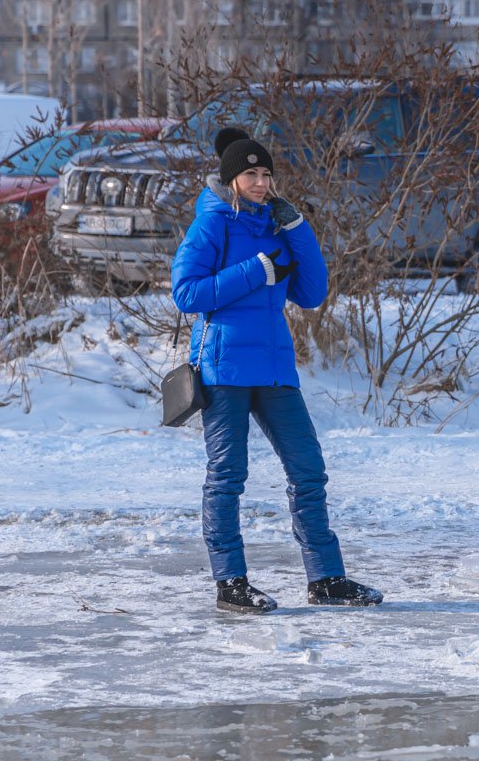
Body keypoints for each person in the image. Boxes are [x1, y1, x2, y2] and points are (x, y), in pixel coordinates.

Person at [172, 127, 383, 614]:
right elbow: (186, 294)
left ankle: (326, 578)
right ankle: (231, 583)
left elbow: (311, 294)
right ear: (231, 180)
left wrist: (298, 229)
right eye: (251, 174)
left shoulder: (273, 226)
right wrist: (254, 272)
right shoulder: (211, 224)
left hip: (274, 370)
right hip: (223, 368)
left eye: (266, 174)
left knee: (308, 470)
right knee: (227, 476)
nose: (262, 182)